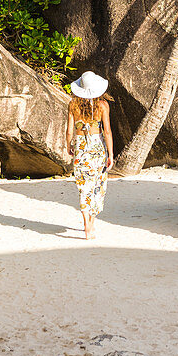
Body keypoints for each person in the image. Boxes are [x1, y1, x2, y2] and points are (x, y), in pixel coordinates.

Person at [66, 70, 114, 240]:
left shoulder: (73, 105)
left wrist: (69, 145)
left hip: (81, 146)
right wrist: (110, 154)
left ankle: (86, 222)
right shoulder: (103, 106)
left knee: (83, 185)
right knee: (97, 186)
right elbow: (107, 132)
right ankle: (92, 223)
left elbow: (69, 130)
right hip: (97, 147)